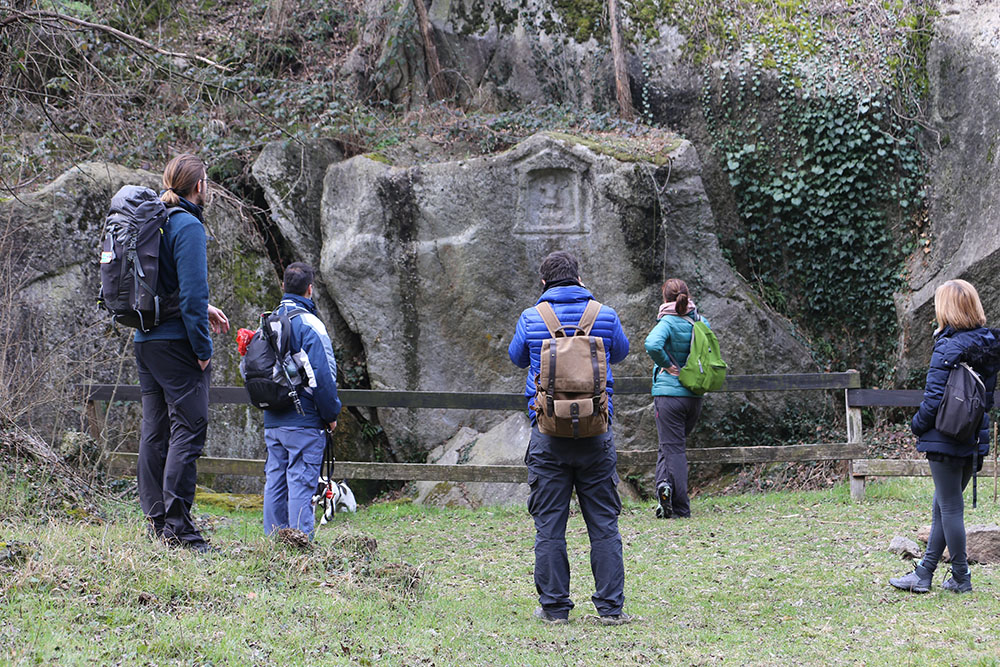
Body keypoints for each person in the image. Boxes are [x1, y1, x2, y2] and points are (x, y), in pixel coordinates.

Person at [507, 250, 631, 626]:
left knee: (549, 526)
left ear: (543, 283)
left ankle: (555, 609)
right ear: (578, 278)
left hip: (548, 436)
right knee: (604, 524)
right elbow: (621, 353)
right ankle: (610, 609)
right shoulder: (604, 315)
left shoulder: (532, 318)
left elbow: (516, 358)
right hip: (596, 435)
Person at [134, 154, 229, 552]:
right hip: (176, 346)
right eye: (206, 180)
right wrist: (203, 351)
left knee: (155, 430)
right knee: (188, 429)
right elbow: (192, 296)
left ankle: (158, 522)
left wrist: (198, 308)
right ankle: (181, 531)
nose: (207, 187)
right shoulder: (188, 225)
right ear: (198, 187)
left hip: (145, 341)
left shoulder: (157, 221)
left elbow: (167, 288)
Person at [890, 279, 1000, 594]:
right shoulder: (988, 345)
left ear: (947, 309)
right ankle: (924, 573)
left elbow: (933, 399)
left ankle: (962, 577)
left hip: (944, 437)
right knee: (943, 505)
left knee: (949, 507)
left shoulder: (947, 347)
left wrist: (917, 425)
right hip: (972, 439)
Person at [262, 262, 342, 538]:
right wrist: (331, 414)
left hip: (272, 419)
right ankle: (298, 547)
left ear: (284, 287)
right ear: (310, 289)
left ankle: (273, 544)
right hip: (304, 420)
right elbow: (323, 375)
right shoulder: (310, 325)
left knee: (275, 479)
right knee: (300, 480)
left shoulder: (268, 321)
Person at [643, 278, 711, 519]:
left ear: (665, 298)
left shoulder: (668, 321)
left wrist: (668, 365)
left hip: (669, 396)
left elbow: (651, 344)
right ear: (687, 295)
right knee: (670, 445)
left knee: (675, 449)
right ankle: (664, 487)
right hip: (694, 396)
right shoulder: (701, 321)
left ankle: (680, 509)